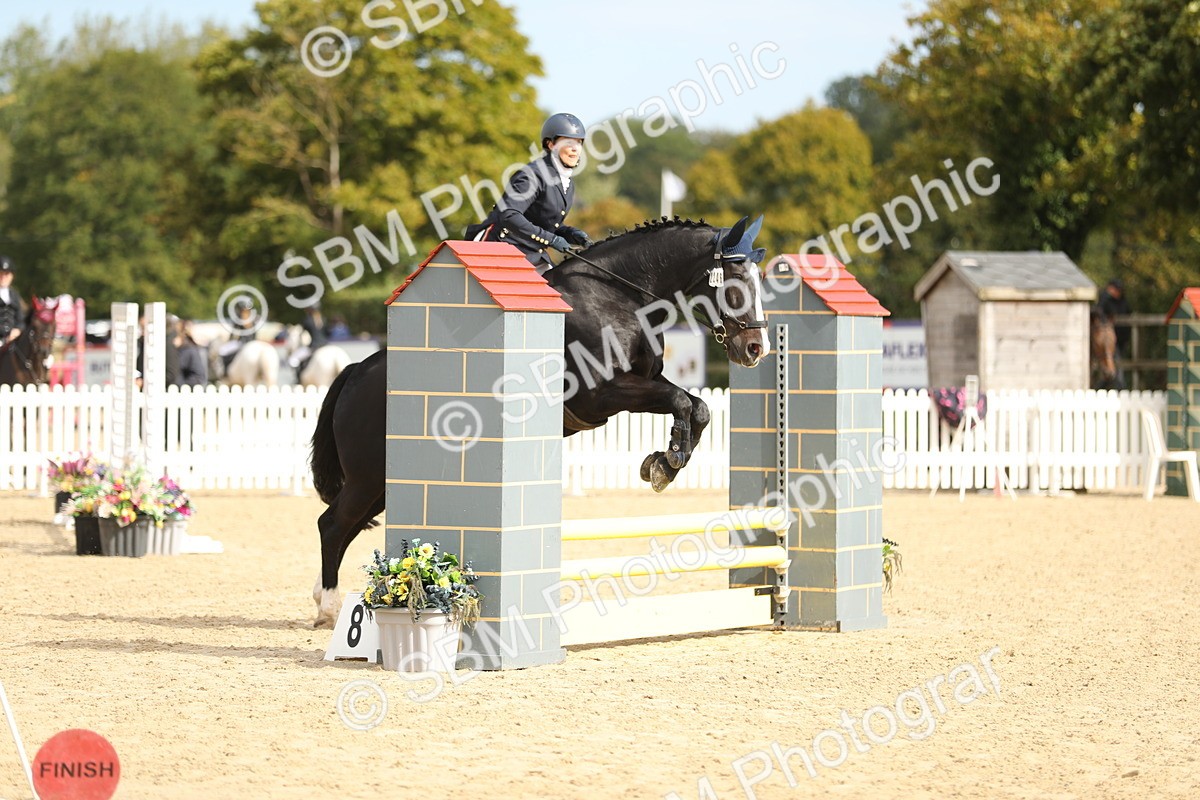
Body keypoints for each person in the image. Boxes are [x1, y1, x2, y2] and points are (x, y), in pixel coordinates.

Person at [464, 113, 593, 274]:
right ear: (551, 144)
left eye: (579, 142)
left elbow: (542, 221)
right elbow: (509, 214)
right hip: (500, 248)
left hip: (532, 254)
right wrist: (551, 239)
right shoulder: (532, 176)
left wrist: (570, 233)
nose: (575, 148)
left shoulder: (566, 183)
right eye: (568, 142)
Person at [1097, 278, 1132, 355]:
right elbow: (1100, 311)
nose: (1118, 292)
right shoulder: (1105, 298)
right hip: (1109, 333)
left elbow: (1127, 312)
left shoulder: (1122, 300)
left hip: (1122, 334)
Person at [174, 318, 208, 386]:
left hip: (187, 386)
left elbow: (199, 376)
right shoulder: (188, 348)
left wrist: (179, 384)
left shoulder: (188, 349)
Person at [0, 256, 25, 349]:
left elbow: (20, 319)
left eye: (6, 274)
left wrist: (18, 330)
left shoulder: (15, 295)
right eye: (0, 273)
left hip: (12, 339)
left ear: (12, 276)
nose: (3, 277)